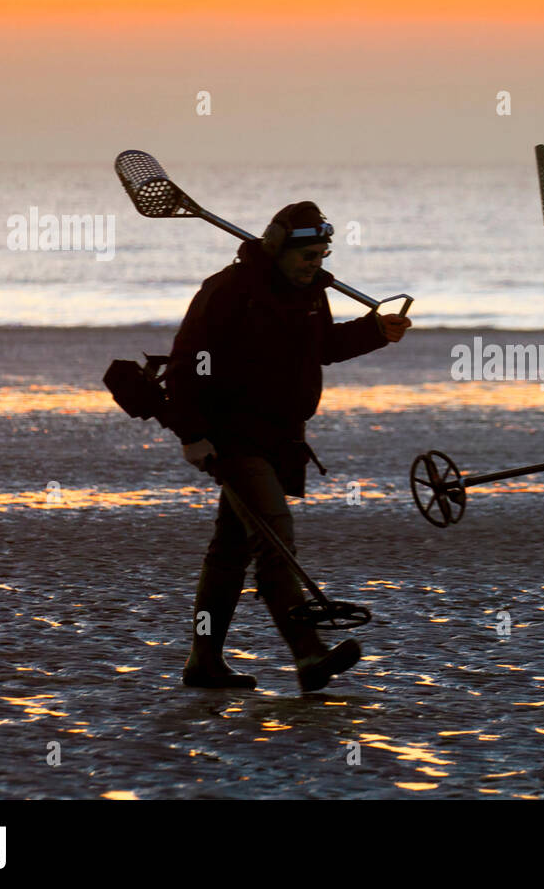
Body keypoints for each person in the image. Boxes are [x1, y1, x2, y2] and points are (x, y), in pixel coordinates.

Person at [165, 201, 410, 692]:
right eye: (306, 256)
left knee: (229, 553)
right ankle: (308, 654)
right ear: (276, 249)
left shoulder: (312, 294)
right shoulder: (227, 292)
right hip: (234, 435)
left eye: (321, 255)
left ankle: (203, 661)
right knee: (275, 540)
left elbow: (321, 348)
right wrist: (192, 436)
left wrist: (374, 332)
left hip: (284, 438)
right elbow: (185, 366)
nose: (314, 264)